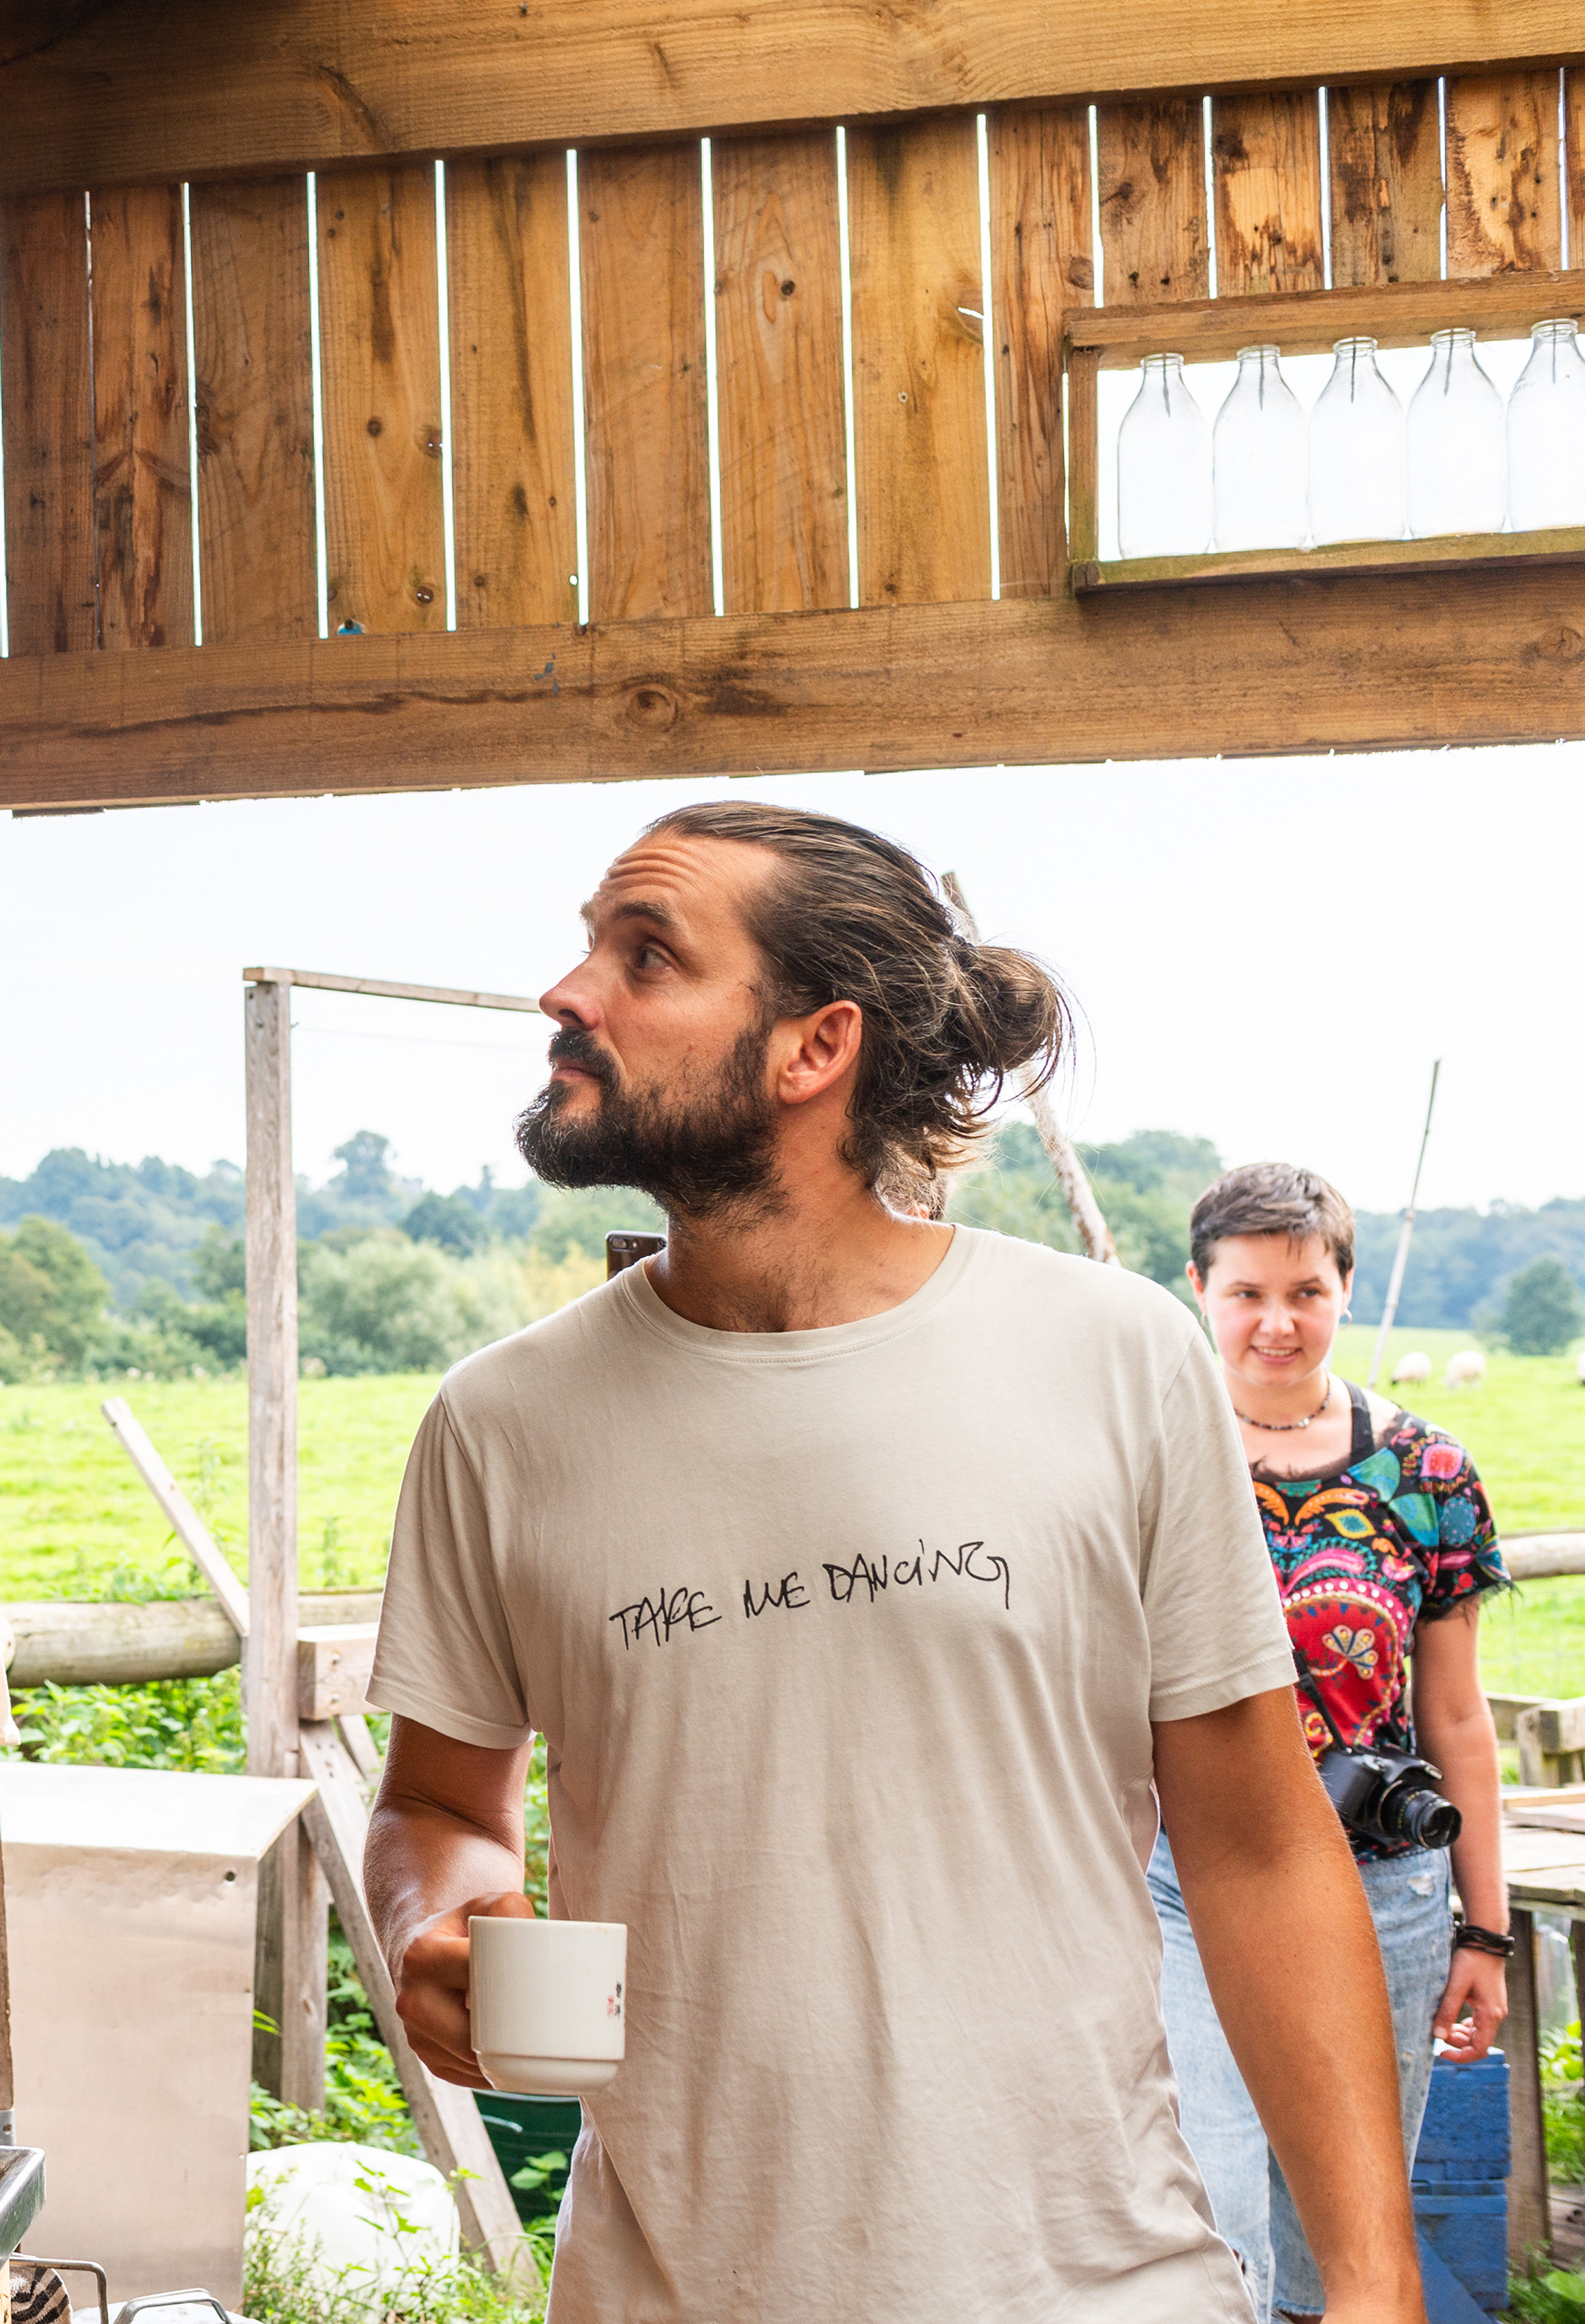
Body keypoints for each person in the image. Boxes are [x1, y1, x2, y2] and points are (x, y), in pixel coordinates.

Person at [359, 800, 1419, 2323]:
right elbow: (440, 1805)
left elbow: (1255, 1843)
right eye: (590, 945)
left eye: (646, 956)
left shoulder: (1116, 1354)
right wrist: (440, 1915)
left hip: (1096, 2286)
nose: (568, 992)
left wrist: (1375, 2286)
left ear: (817, 1045)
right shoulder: (501, 1422)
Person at [1154, 1162, 1508, 2318]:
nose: (1277, 1321)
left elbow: (1454, 1715)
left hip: (1384, 1891)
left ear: (1344, 1288)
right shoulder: (1152, 1453)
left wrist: (1484, 1930)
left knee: (1342, 2231)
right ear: (1199, 1288)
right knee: (1213, 2207)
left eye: (1305, 1290)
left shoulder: (1428, 1472)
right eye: (1247, 1292)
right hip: (1188, 1880)